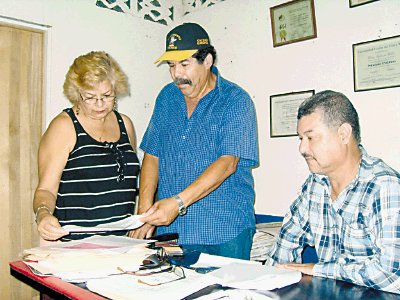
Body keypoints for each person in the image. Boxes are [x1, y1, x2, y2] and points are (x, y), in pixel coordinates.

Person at [131, 23, 258, 260]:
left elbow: (228, 163)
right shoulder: (166, 98)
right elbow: (152, 155)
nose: (177, 74)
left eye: (184, 64)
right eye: (171, 65)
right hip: (172, 234)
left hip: (224, 230)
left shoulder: (235, 101)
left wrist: (178, 203)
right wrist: (144, 213)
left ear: (207, 60)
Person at [265, 90, 400, 294]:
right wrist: (262, 284)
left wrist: (319, 269)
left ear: (343, 134)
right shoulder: (315, 185)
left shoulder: (383, 186)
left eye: (310, 137)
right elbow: (288, 239)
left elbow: (392, 275)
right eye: (300, 138)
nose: (302, 148)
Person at [33, 51, 140, 242]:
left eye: (107, 96)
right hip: (75, 246)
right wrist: (43, 214)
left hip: (121, 244)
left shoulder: (125, 124)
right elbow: (46, 190)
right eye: (90, 97)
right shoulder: (64, 127)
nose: (99, 104)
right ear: (76, 93)